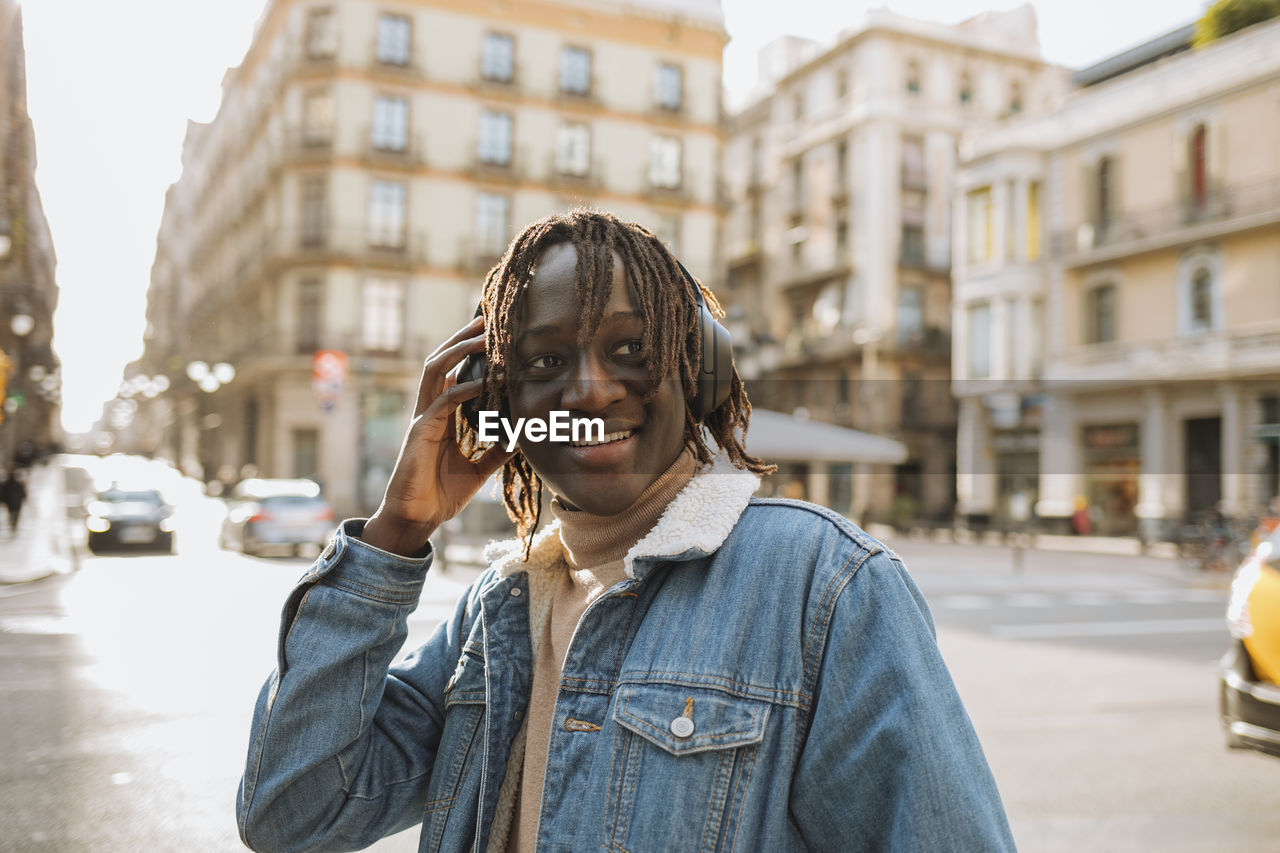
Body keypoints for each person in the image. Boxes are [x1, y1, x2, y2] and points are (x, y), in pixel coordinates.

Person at [237, 209, 1015, 852]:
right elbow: (290, 812)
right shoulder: (495, 610)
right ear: (495, 403)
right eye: (544, 361)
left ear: (697, 369)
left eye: (631, 349)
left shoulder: (824, 584)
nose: (590, 389)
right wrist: (393, 534)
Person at [1, 469, 27, 535]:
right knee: (16, 513)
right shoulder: (19, 484)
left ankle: (12, 523)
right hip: (17, 503)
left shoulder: (6, 484)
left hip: (10, 503)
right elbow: (23, 493)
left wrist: (3, 500)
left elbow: (3, 493)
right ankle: (14, 524)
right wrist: (24, 498)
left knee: (11, 513)